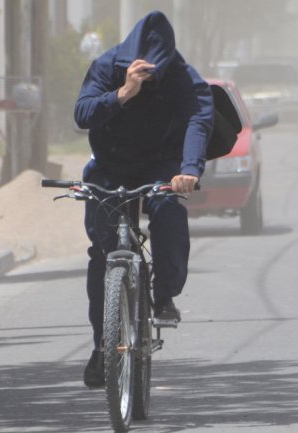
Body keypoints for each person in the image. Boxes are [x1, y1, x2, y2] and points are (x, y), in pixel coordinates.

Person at [73, 10, 214, 388]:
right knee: (101, 251)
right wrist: (122, 93)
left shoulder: (182, 76)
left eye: (156, 73)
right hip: (110, 164)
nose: (150, 78)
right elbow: (82, 114)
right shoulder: (106, 66)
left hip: (159, 164)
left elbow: (198, 119)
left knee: (168, 209)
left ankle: (164, 294)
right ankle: (103, 347)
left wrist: (189, 170)